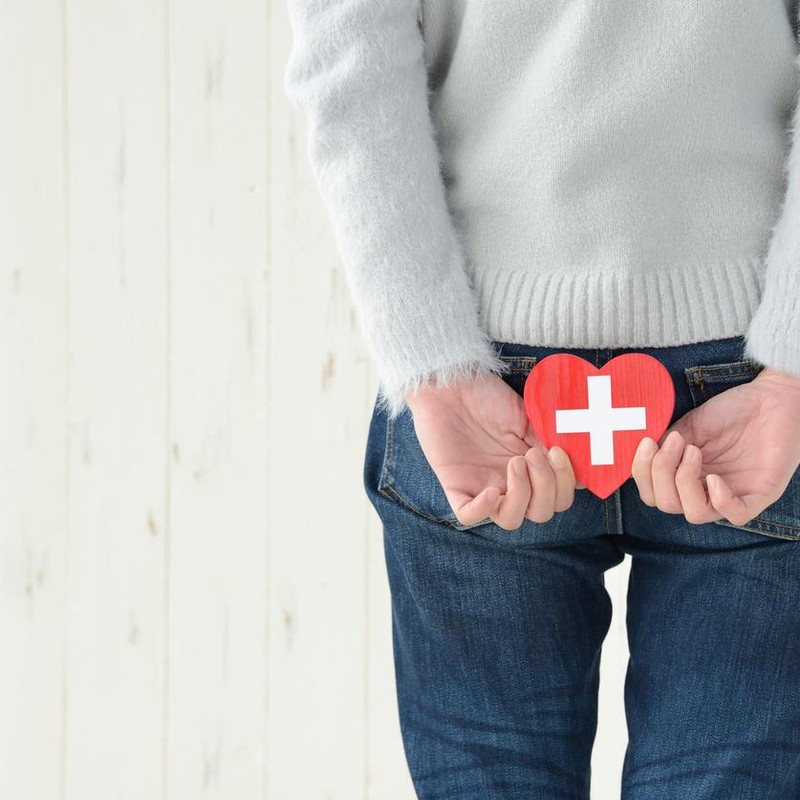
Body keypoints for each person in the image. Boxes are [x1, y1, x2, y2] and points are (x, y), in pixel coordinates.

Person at [284, 1, 800, 796]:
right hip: (744, 355)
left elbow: (348, 56)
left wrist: (435, 360)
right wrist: (792, 360)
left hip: (484, 363)